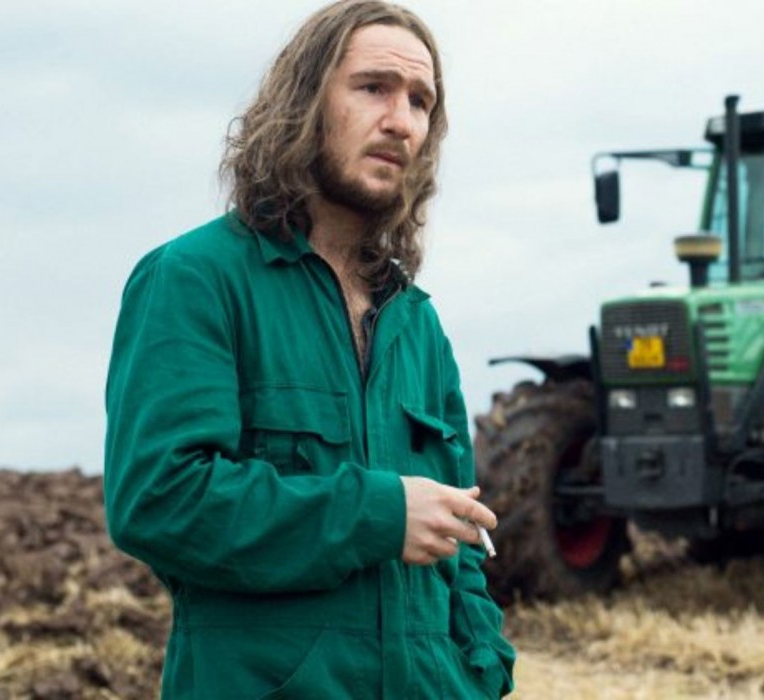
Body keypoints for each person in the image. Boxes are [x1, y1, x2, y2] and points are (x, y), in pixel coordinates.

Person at [103, 2, 516, 697]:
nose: (401, 121)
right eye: (374, 87)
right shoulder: (195, 279)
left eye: (421, 102)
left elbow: (462, 547)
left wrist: (481, 669)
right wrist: (379, 515)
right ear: (304, 101)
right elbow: (159, 500)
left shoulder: (417, 322)